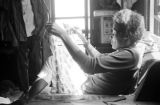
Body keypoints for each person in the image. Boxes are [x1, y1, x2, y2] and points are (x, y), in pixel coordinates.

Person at [12, 9, 146, 105]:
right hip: (86, 81)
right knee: (56, 57)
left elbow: (89, 66)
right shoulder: (130, 51)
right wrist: (83, 39)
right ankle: (27, 97)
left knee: (52, 60)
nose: (111, 35)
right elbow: (100, 58)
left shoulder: (130, 56)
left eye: (114, 32)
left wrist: (63, 35)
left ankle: (26, 99)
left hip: (83, 88)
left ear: (126, 37)